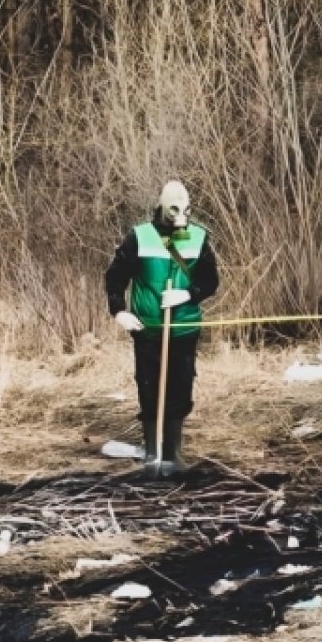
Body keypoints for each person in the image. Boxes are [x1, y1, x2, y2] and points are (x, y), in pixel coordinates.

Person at [104, 180, 219, 476]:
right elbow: (115, 277)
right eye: (175, 211)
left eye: (186, 210)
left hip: (183, 329)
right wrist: (119, 311)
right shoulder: (139, 237)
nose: (181, 217)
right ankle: (152, 454)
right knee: (149, 387)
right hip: (148, 329)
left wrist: (187, 294)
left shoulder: (199, 237)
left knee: (180, 389)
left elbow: (210, 282)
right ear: (162, 208)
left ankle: (173, 454)